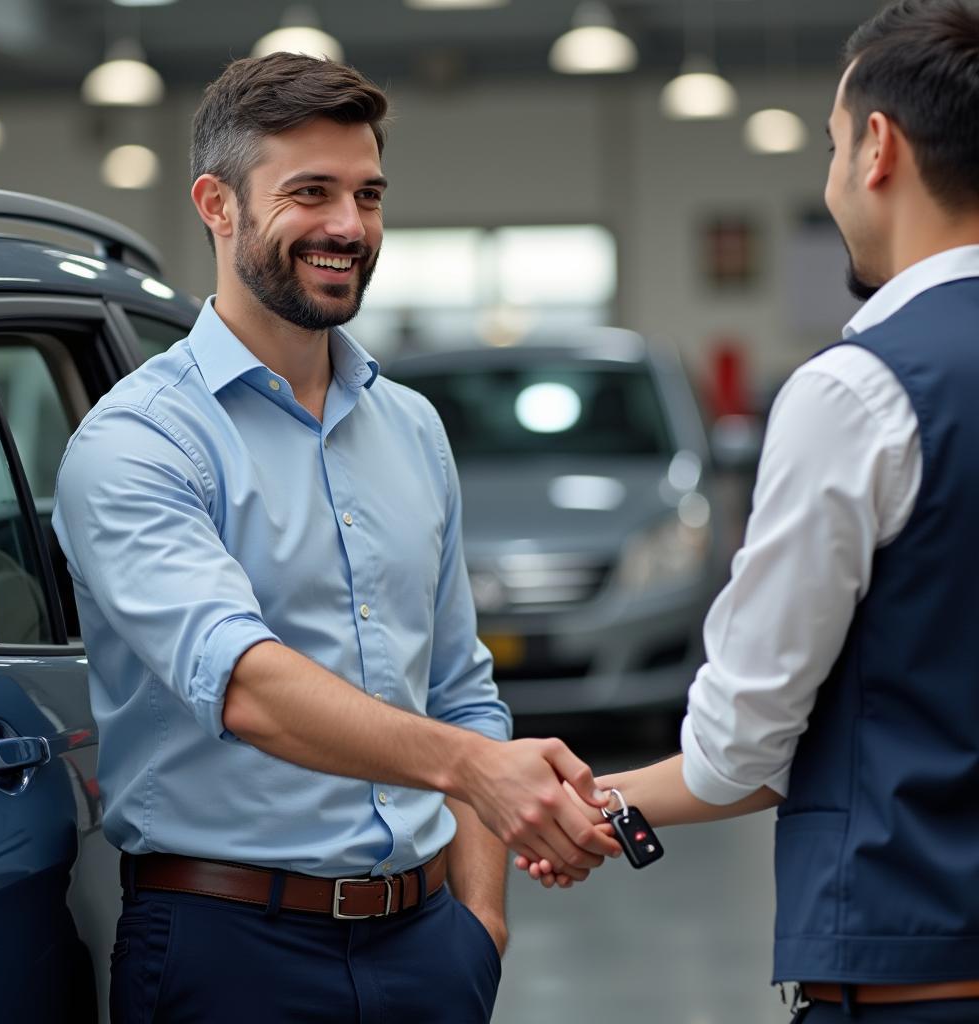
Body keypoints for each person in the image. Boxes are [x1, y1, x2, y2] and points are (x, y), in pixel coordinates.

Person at [53, 53, 617, 1023]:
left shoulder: (410, 429)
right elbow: (243, 684)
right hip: (227, 954)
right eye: (308, 193)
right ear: (216, 205)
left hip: (425, 943)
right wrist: (473, 772)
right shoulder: (139, 441)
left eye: (367, 194)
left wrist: (479, 921)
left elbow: (459, 686)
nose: (348, 227)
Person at [520, 1, 979, 1020]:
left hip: (918, 975)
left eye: (826, 142)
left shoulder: (860, 390)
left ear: (876, 146)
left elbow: (744, 742)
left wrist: (586, 805)